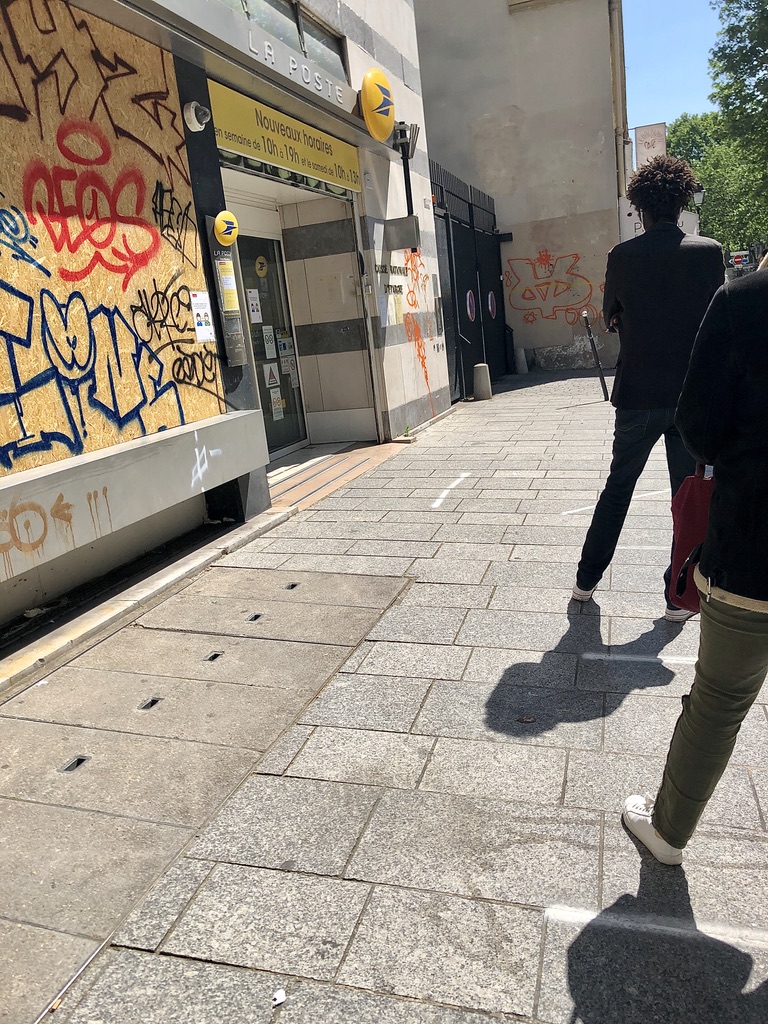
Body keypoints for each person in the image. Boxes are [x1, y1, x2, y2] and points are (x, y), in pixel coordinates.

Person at [623, 256, 768, 864]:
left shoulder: (744, 301)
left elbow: (700, 428)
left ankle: (669, 832)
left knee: (719, 701)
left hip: (755, 543)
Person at [572, 155, 724, 620]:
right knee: (686, 493)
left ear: (640, 209)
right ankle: (679, 595)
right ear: (682, 204)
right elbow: (718, 326)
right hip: (690, 400)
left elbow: (610, 314)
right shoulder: (709, 253)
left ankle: (586, 580)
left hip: (636, 395)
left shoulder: (623, 256)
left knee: (618, 488)